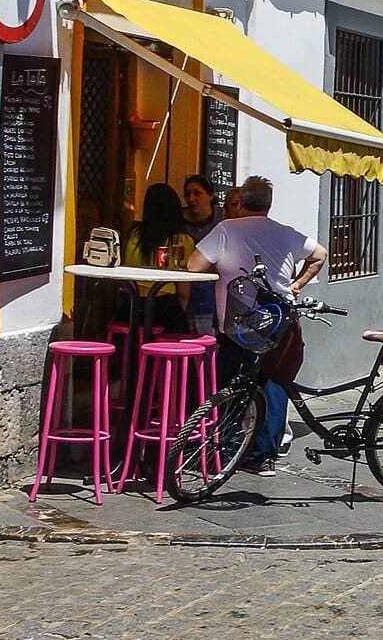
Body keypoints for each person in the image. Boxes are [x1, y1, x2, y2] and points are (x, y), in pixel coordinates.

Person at [188, 175, 328, 477]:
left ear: (241, 204)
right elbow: (320, 254)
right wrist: (296, 284)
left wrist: (223, 263)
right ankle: (265, 456)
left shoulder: (226, 230)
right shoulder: (285, 232)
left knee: (231, 383)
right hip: (279, 320)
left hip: (237, 324)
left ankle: (227, 448)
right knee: (274, 382)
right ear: (269, 204)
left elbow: (193, 266)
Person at [123, 183, 194, 330]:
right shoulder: (181, 240)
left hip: (127, 307)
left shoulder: (131, 235)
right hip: (162, 306)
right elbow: (183, 292)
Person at [181, 175, 220, 244]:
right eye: (187, 194)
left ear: (211, 195)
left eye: (197, 193)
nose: (191, 199)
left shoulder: (222, 217)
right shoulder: (177, 219)